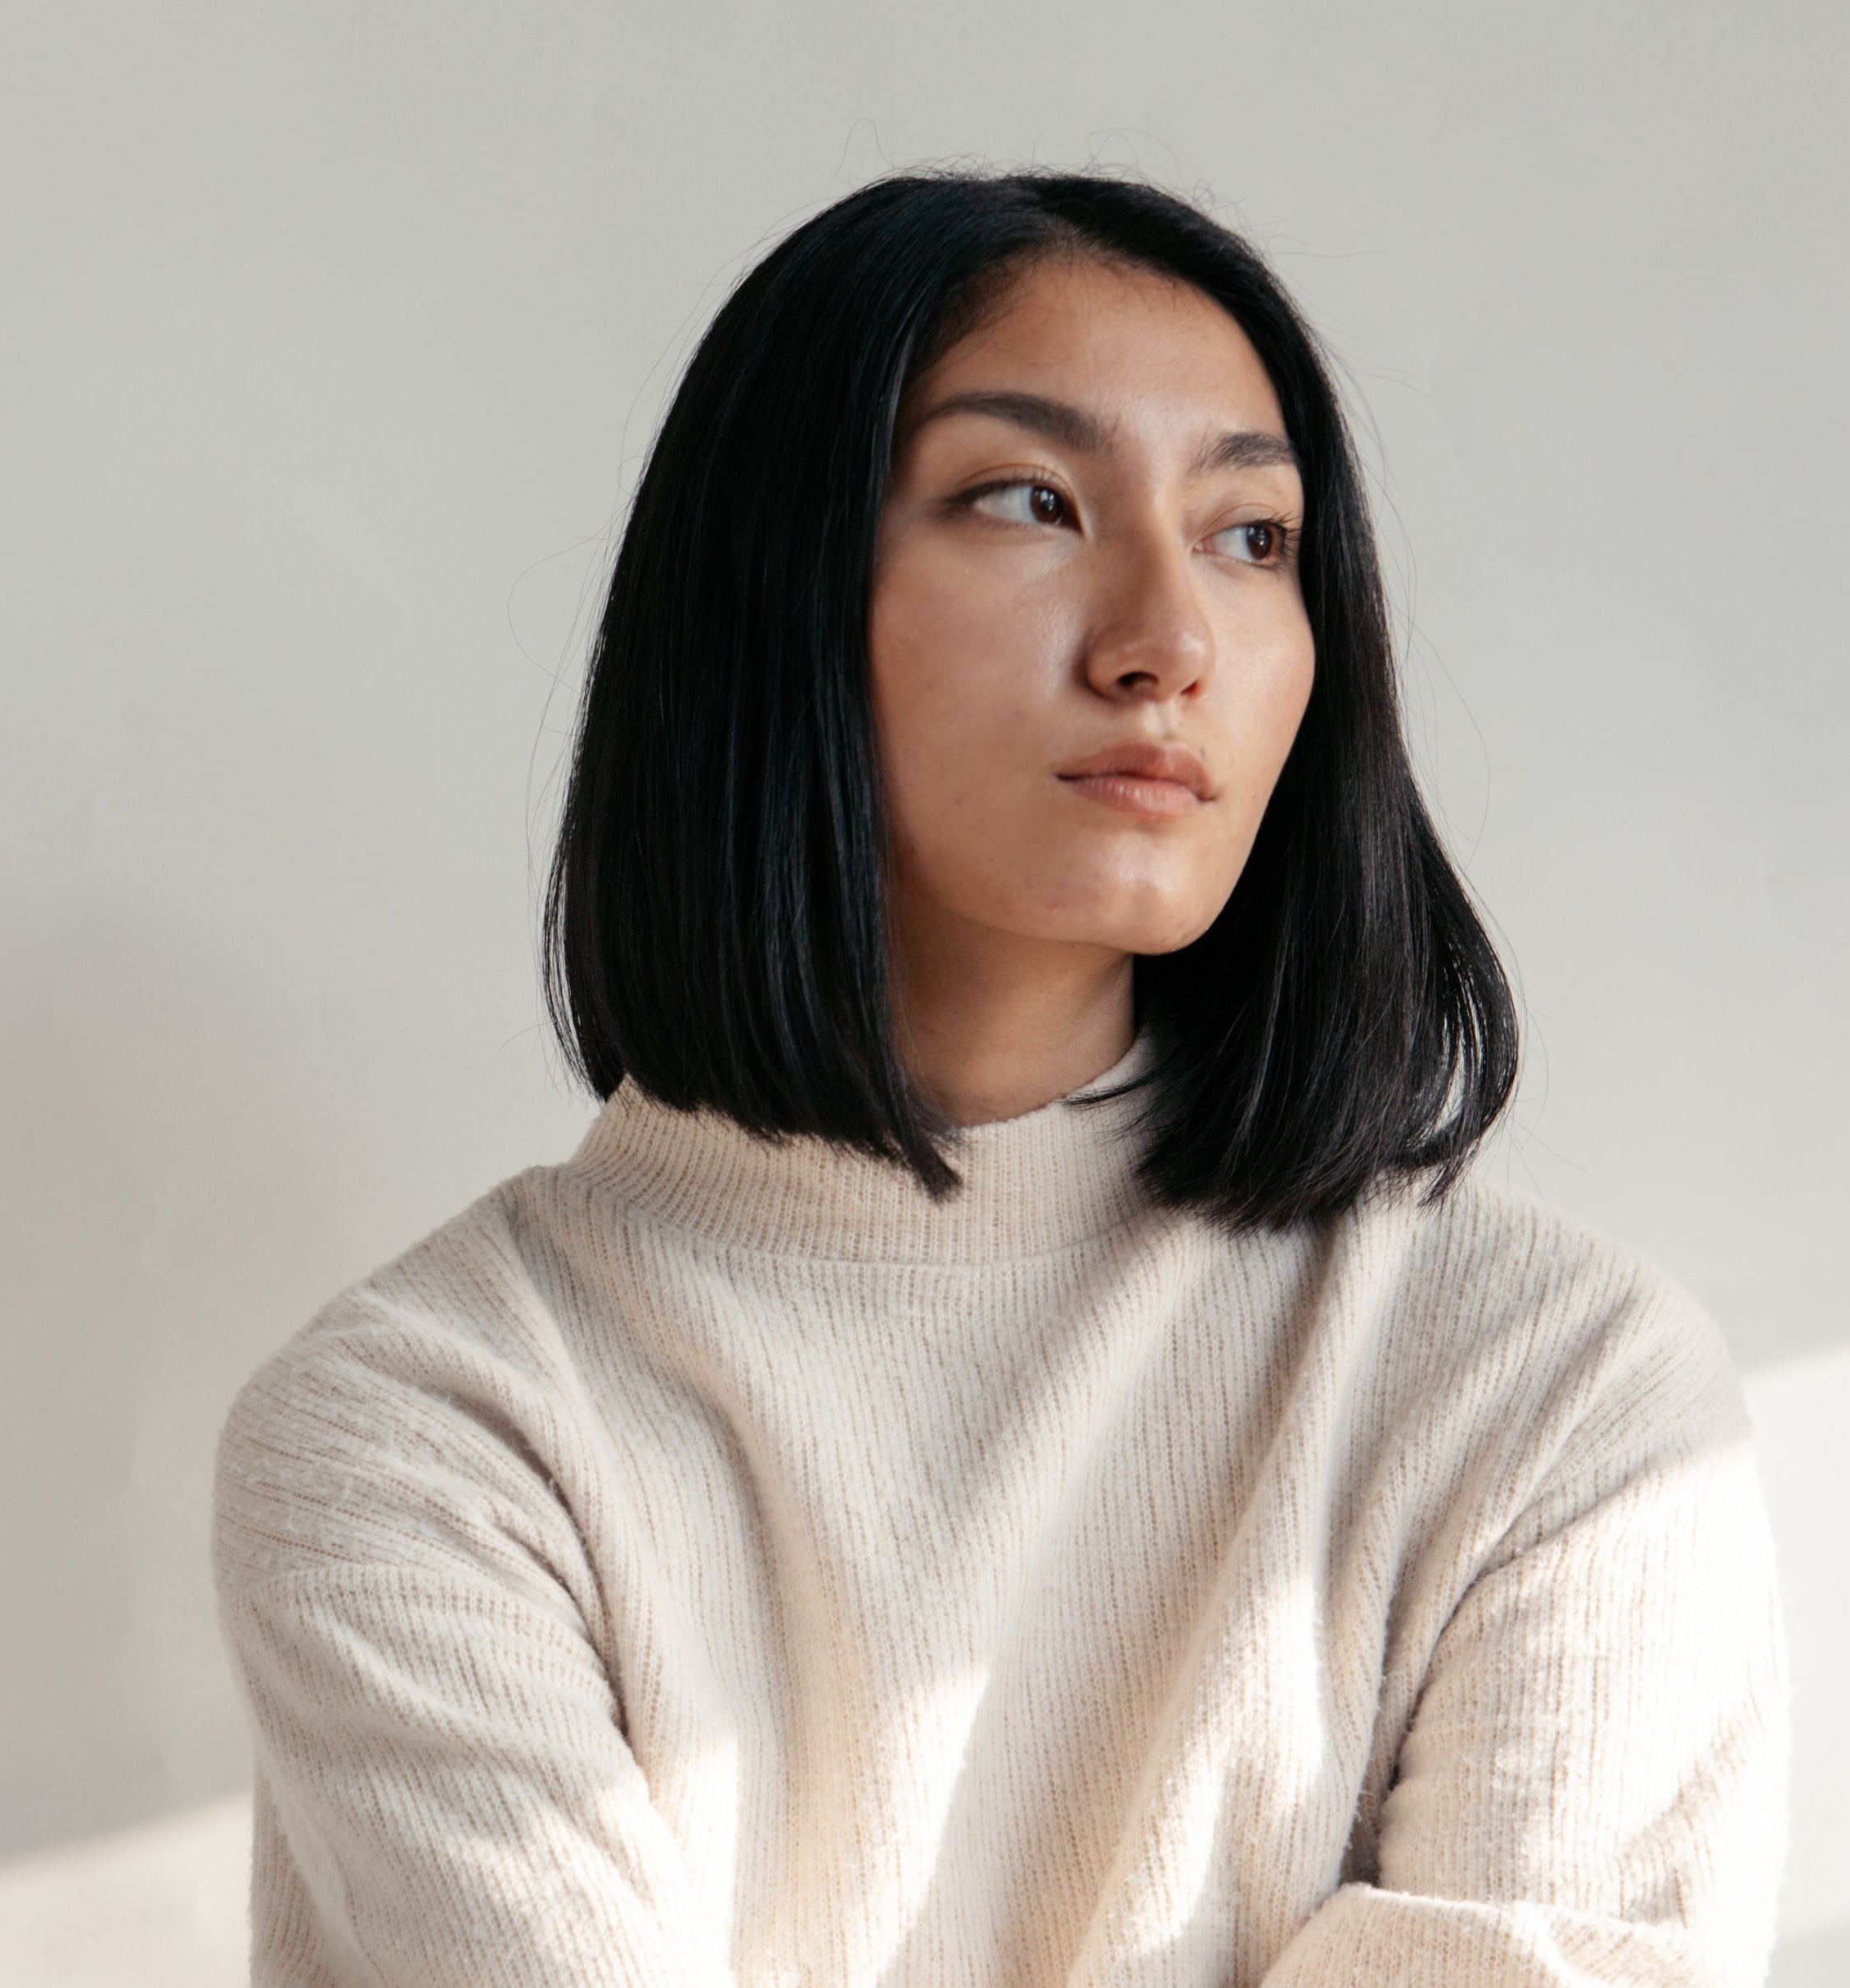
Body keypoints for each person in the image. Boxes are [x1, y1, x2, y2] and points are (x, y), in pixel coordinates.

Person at [210, 172, 1789, 1986]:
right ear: (773, 598)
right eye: (1024, 499)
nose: (1164, 642)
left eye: (1251, 536)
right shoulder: (427, 1437)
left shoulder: (1551, 1389)